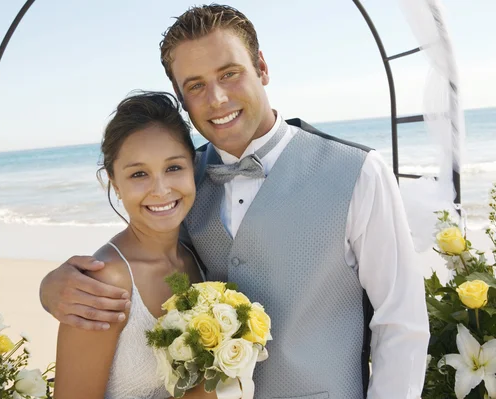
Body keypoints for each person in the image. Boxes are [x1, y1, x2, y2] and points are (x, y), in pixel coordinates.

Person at [42, 5, 430, 398]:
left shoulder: (359, 171)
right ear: (183, 98)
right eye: (195, 86)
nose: (217, 98)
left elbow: (401, 321)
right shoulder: (181, 178)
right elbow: (140, 251)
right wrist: (53, 287)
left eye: (229, 73)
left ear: (261, 67)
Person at [53, 91, 215, 398]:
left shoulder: (196, 256)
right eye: (139, 174)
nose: (161, 189)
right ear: (115, 183)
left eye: (173, 167)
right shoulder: (105, 283)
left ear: (192, 167)